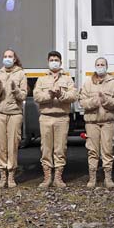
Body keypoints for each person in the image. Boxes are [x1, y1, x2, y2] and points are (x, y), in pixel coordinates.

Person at [33, 51, 78, 188]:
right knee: (46, 148)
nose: (54, 62)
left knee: (60, 148)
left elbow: (73, 96)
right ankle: (47, 177)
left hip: (62, 118)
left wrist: (61, 94)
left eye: (56, 59)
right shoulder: (41, 80)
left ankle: (58, 177)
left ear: (61, 62)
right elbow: (37, 97)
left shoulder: (68, 79)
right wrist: (50, 95)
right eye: (51, 59)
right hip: (46, 117)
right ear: (48, 62)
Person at [78, 57, 114, 188]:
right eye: (98, 64)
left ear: (107, 66)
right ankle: (92, 178)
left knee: (107, 150)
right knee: (92, 151)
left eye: (102, 64)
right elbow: (82, 101)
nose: (100, 66)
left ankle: (108, 178)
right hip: (92, 122)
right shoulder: (87, 83)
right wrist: (93, 102)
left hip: (108, 121)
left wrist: (106, 101)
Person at [0, 49, 27, 188]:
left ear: (15, 59)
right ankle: (2, 175)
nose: (7, 58)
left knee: (13, 144)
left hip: (15, 113)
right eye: (5, 56)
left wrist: (15, 90)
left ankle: (11, 175)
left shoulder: (21, 74)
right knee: (0, 146)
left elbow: (23, 96)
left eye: (10, 56)